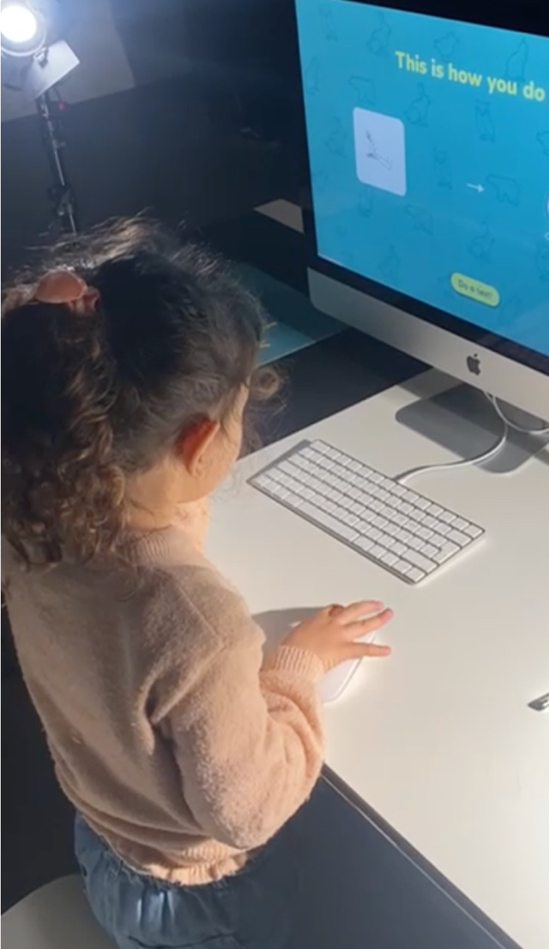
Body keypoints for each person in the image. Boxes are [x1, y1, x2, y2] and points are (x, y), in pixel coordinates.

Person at [0, 219, 393, 949]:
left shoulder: (27, 518)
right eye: (242, 411)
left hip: (105, 846)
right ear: (200, 442)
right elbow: (244, 811)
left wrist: (172, 510)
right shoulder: (197, 620)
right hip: (202, 902)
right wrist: (295, 671)